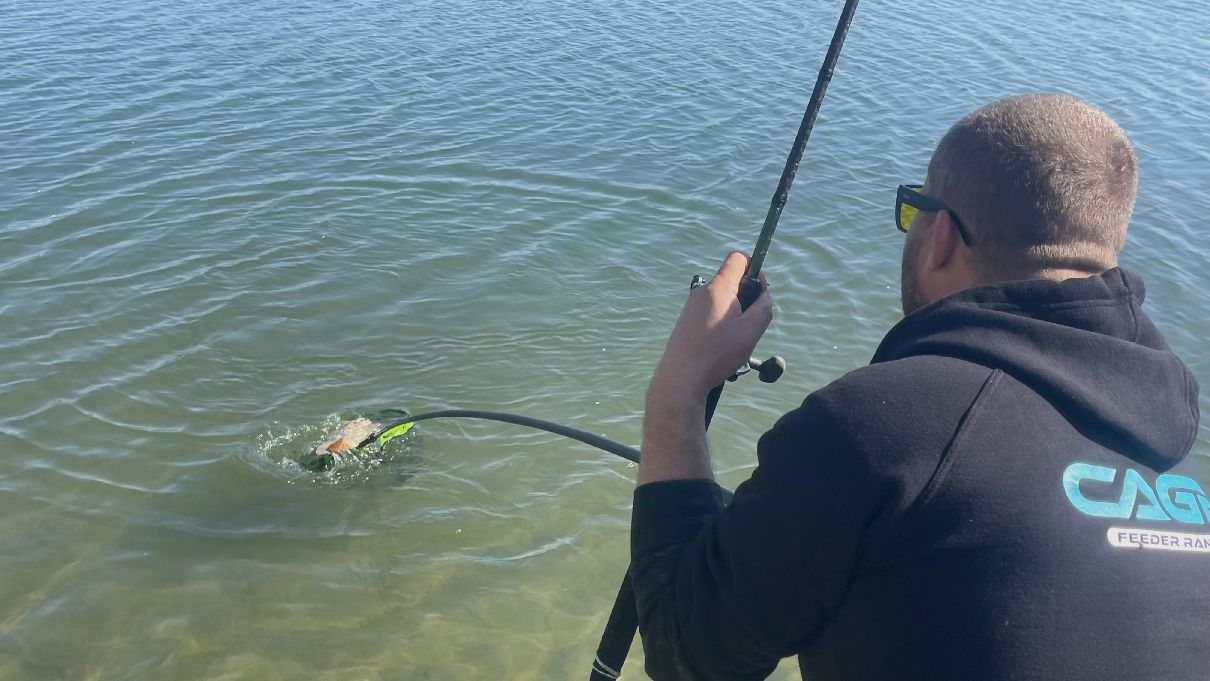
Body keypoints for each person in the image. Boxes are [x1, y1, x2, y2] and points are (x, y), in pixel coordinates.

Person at [630, 93, 1207, 680]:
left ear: (942, 237)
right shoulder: (1185, 489)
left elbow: (686, 652)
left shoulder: (878, 425)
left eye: (914, 210)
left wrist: (680, 383)